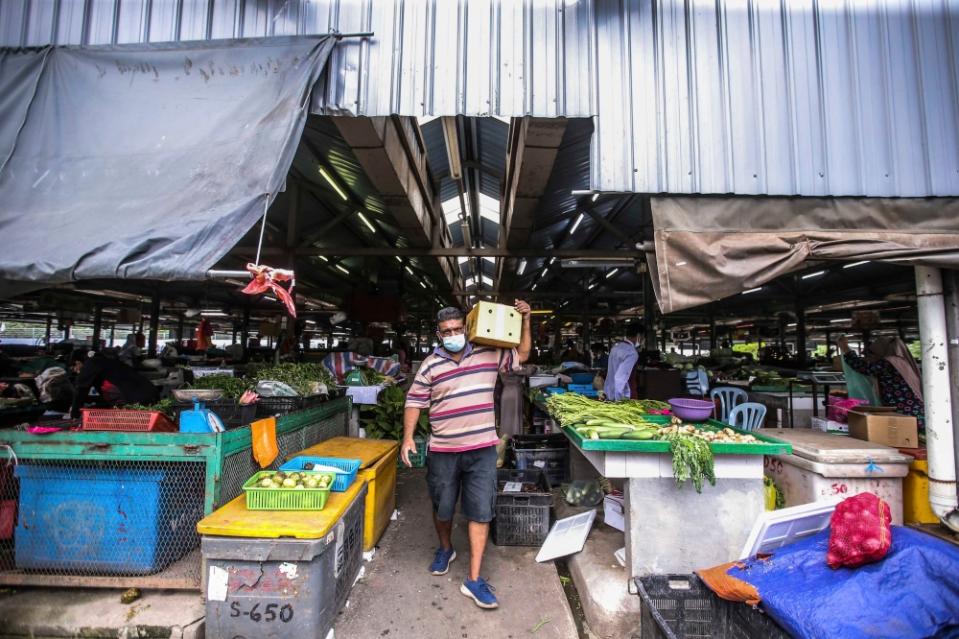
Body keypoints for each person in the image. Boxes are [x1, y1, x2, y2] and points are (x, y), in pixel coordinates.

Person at [401, 300, 532, 610]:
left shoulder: (489, 352)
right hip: (443, 450)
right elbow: (414, 401)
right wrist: (408, 437)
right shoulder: (430, 363)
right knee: (442, 507)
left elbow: (522, 355)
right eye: (447, 331)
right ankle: (445, 548)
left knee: (480, 511)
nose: (453, 334)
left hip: (482, 449)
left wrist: (526, 321)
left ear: (467, 327)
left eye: (458, 328)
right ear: (438, 334)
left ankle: (473, 579)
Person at [837, 335, 925, 431]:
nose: (873, 357)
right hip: (912, 409)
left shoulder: (889, 362)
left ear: (882, 350)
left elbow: (865, 368)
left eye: (874, 353)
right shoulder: (899, 361)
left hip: (906, 411)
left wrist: (846, 349)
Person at [69, 351, 159, 418]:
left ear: (77, 362)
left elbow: (80, 391)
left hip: (135, 401)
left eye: (74, 368)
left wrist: (74, 416)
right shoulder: (107, 362)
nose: (76, 371)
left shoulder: (90, 364)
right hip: (149, 395)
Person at [604, 322, 642, 401]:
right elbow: (620, 378)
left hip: (611, 393)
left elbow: (611, 374)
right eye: (643, 337)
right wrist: (620, 400)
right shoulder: (631, 352)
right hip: (625, 396)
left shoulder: (615, 348)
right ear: (638, 336)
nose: (643, 340)